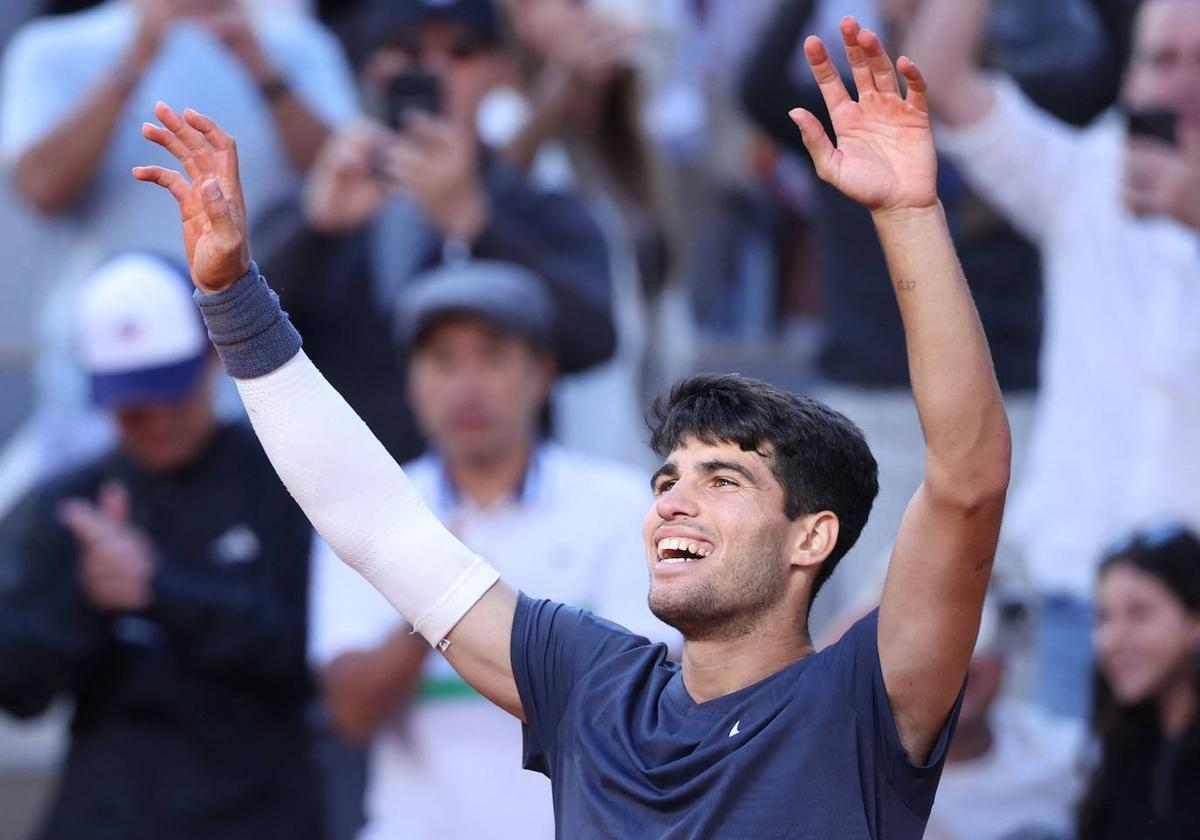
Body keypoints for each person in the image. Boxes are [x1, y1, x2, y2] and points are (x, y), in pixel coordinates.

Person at [135, 17, 1011, 838]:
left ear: (812, 538)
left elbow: (968, 481)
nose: (675, 501)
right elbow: (376, 523)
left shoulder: (864, 694)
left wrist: (907, 218)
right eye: (668, 479)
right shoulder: (590, 681)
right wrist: (235, 297)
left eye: (723, 481)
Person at [738, 0, 1118, 631]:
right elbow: (756, 91)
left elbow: (1121, 64)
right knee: (869, 634)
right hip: (870, 409)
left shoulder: (1014, 108)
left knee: (996, 633)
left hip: (1003, 409)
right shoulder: (844, 108)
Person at [905, 0, 1200, 719]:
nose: (1182, 86)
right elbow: (935, 79)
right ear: (1126, 76)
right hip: (1084, 601)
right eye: (1163, 59)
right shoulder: (1084, 176)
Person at [311, 260, 677, 839]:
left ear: (542, 372)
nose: (467, 384)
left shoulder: (622, 506)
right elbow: (349, 714)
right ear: (411, 380)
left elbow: (647, 707)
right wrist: (435, 589)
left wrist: (458, 605)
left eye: (492, 355)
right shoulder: (361, 511)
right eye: (442, 360)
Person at [0, 253, 320, 839]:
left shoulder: (281, 477)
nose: (153, 419)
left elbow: (308, 661)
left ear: (207, 361)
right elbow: (18, 689)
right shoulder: (70, 502)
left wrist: (157, 589)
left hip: (259, 813)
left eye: (167, 391)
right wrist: (86, 598)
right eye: (131, 402)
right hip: (105, 814)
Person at [0, 0, 360, 516]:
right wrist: (137, 54)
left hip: (262, 392)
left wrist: (259, 65)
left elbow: (348, 180)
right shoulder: (54, 48)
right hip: (99, 392)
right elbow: (39, 187)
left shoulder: (296, 44)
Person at [254, 0, 616, 465]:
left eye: (462, 52)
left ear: (499, 70)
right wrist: (315, 230)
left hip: (500, 506)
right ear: (371, 67)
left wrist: (476, 224)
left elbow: (595, 340)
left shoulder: (540, 209)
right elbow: (230, 336)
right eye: (407, 51)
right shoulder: (323, 198)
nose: (436, 70)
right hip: (339, 502)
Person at [924, 593, 1087, 840]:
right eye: (938, 639)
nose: (962, 662)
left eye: (979, 630)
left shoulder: (1067, 756)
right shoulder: (874, 787)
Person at [1077, 525, 1200, 839]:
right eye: (1103, 617)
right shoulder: (1122, 745)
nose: (1110, 641)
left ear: (1195, 622)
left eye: (1139, 613)